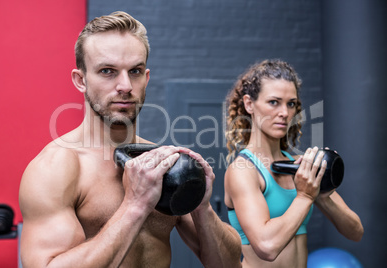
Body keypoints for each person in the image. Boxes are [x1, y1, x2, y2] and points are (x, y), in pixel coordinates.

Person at [19, 11, 242, 268]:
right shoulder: (56, 168)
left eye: (134, 71)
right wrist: (135, 206)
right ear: (81, 80)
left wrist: (203, 210)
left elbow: (229, 265)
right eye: (107, 71)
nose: (125, 85)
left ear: (145, 79)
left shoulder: (159, 164)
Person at [224, 59, 364, 267]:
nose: (285, 113)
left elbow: (355, 232)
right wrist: (306, 196)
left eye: (291, 104)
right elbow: (266, 246)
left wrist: (322, 195)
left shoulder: (299, 167)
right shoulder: (244, 171)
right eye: (274, 102)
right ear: (249, 104)